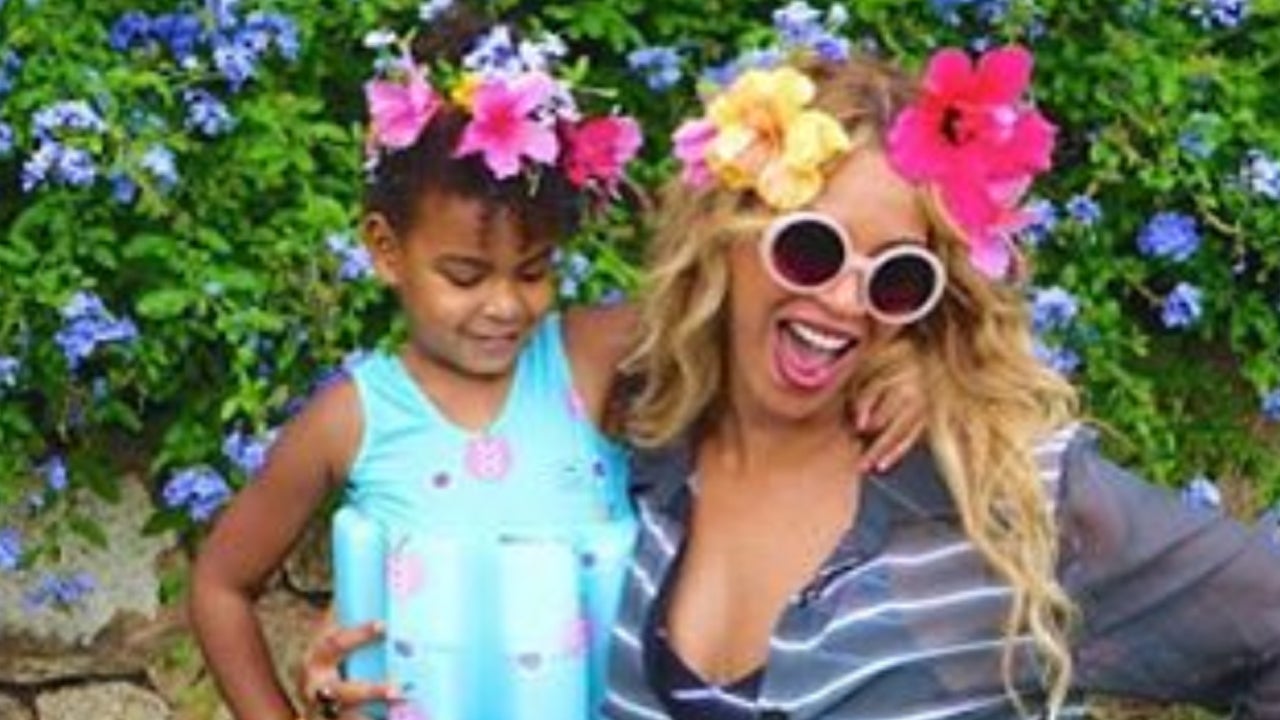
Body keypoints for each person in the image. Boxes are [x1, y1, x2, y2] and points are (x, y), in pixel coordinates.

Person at [192, 17, 925, 720]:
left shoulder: (586, 359)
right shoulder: (352, 420)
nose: (505, 305)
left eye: (534, 271)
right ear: (385, 250)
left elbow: (763, 315)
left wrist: (913, 364)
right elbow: (221, 585)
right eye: (465, 275)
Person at [596, 46, 1280, 719]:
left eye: (898, 278)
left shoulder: (1000, 498)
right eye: (811, 249)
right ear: (726, 236)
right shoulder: (631, 436)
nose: (845, 300)